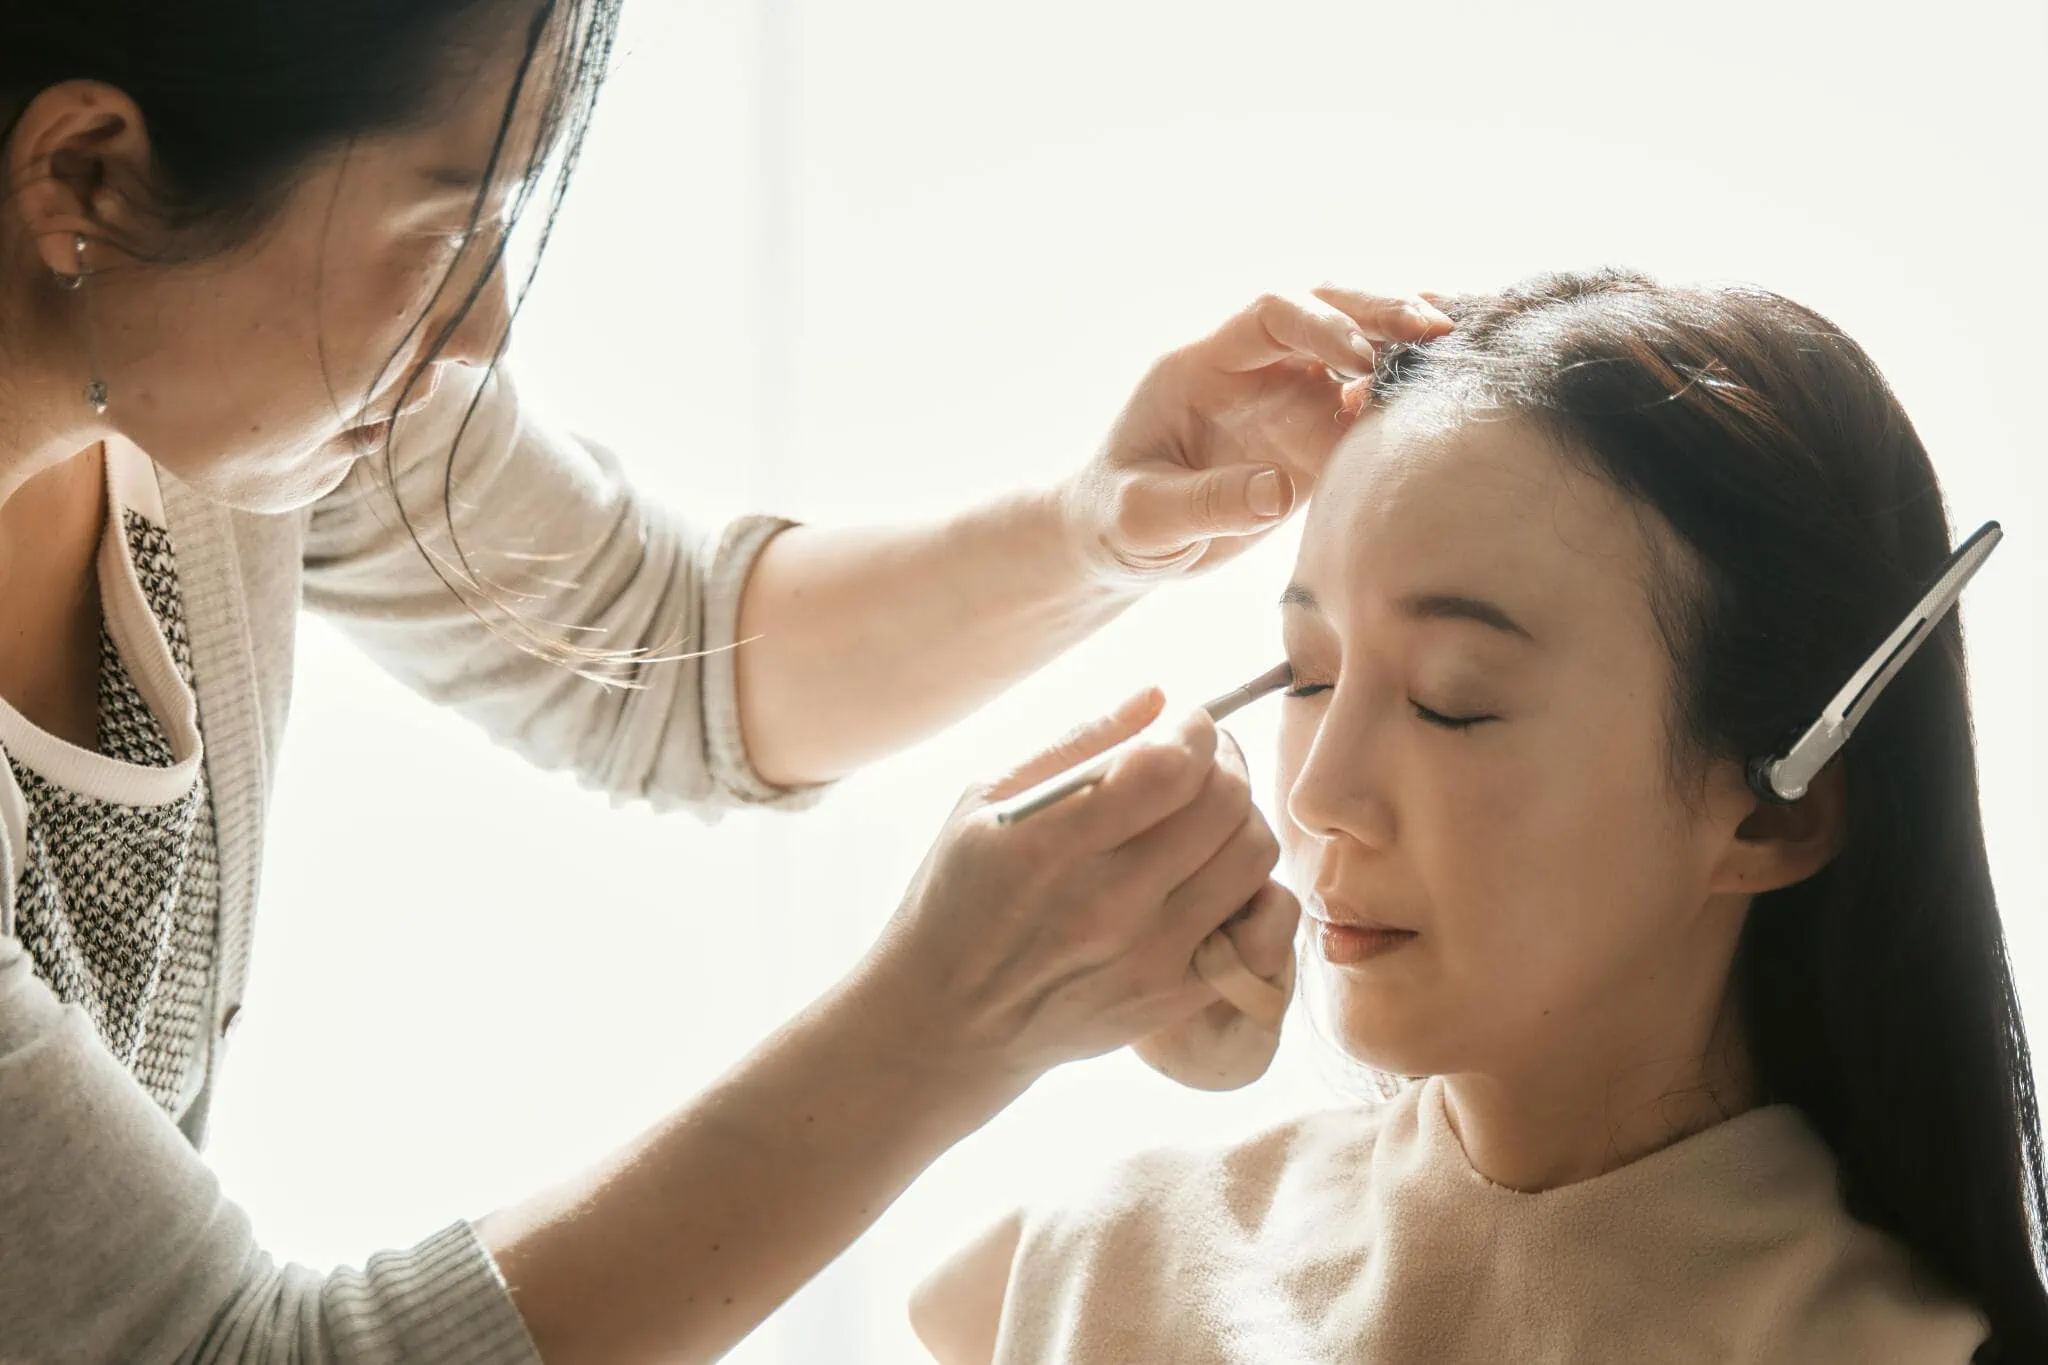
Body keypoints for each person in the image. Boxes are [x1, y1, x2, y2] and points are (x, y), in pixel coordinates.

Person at [0, 3, 1455, 1362]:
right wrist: (952, 1017)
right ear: (87, 178)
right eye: (441, 228)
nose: (482, 329)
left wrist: (1096, 528)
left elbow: (658, 645)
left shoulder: (221, 379)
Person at [909, 269, 2048, 1364]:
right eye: (1307, 676)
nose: (1317, 796)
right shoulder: (1106, 1263)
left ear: (1769, 819)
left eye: (1451, 701)